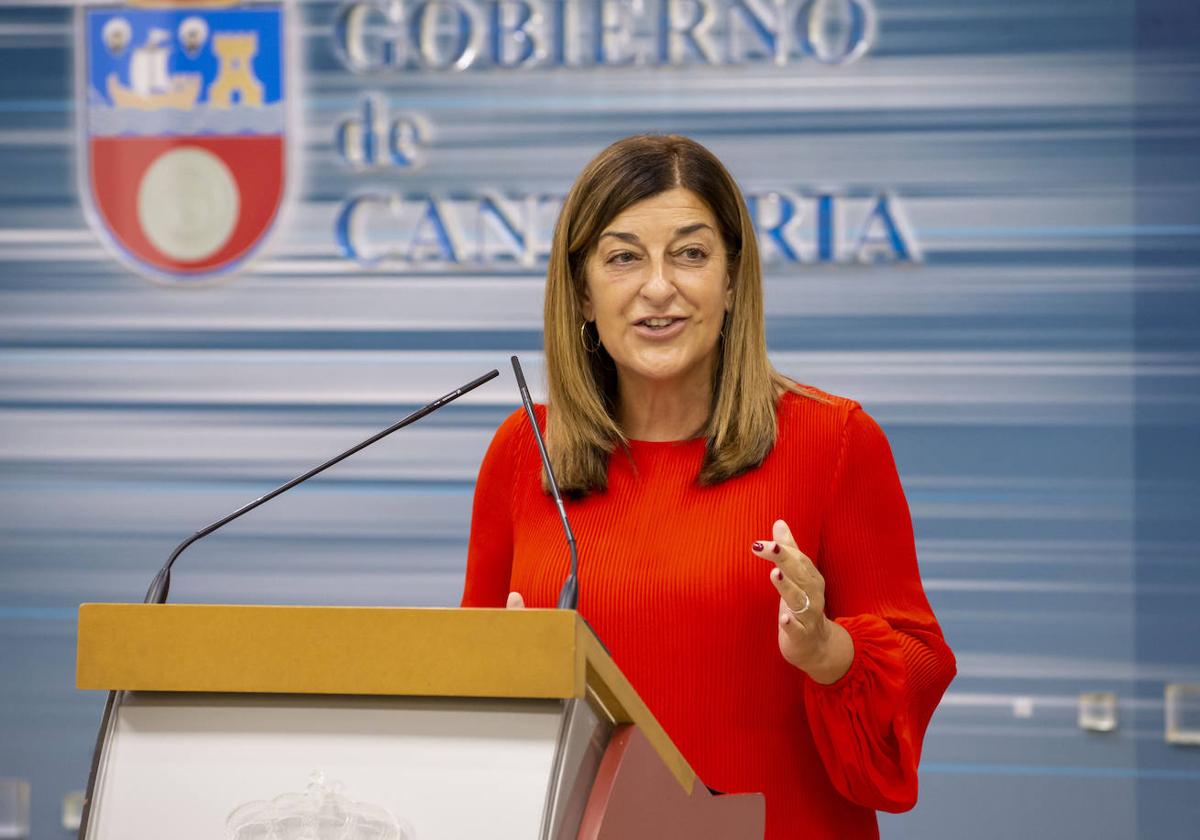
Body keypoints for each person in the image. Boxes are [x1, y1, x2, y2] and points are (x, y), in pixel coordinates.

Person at [461, 134, 956, 840]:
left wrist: (826, 651)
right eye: (623, 256)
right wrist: (499, 682)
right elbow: (471, 697)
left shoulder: (833, 441)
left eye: (690, 254)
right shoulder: (524, 451)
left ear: (731, 281)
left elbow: (920, 662)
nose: (658, 287)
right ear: (581, 290)